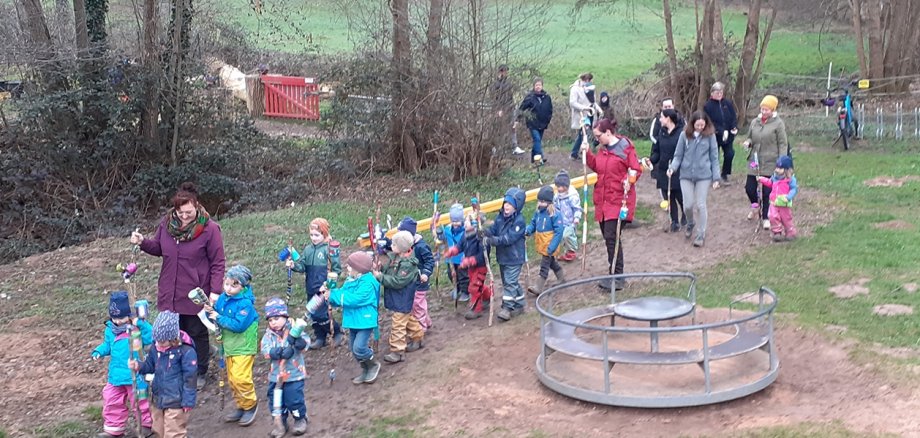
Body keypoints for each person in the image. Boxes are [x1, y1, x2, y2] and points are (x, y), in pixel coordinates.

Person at [131, 182, 225, 390]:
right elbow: (159, 248)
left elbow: (218, 262)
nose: (184, 216)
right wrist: (142, 242)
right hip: (169, 290)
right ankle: (178, 368)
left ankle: (199, 370)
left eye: (188, 212)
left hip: (195, 292)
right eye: (180, 212)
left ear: (197, 205)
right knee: (173, 332)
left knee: (196, 332)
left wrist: (215, 292)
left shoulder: (210, 230)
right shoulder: (167, 224)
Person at [584, 118, 642, 290]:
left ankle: (618, 276)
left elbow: (635, 169)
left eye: (598, 136)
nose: (596, 139)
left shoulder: (625, 148)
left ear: (608, 133)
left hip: (619, 200)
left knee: (612, 236)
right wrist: (587, 153)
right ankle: (614, 273)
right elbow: (597, 167)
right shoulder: (602, 151)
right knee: (608, 237)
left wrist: (628, 180)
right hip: (603, 201)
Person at [92, 291, 154, 438]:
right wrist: (99, 351)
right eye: (115, 318)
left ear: (129, 315)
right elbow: (108, 345)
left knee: (140, 401)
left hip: (136, 373)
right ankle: (114, 428)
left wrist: (141, 324)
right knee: (112, 400)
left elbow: (150, 338)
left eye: (121, 318)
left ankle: (146, 425)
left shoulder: (136, 328)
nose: (118, 321)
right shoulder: (110, 330)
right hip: (116, 375)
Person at [129, 310, 196, 438]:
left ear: (173, 339)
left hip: (177, 400)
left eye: (162, 342)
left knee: (174, 432)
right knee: (158, 430)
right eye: (157, 341)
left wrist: (188, 401)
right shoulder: (156, 347)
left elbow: (190, 378)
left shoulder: (186, 351)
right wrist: (139, 365)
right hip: (158, 398)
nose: (158, 344)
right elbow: (150, 365)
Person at [206, 265, 259, 426]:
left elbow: (238, 325)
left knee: (241, 377)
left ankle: (251, 405)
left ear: (243, 286)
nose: (228, 288)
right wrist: (210, 311)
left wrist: (218, 318)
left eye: (234, 285)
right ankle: (241, 405)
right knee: (232, 379)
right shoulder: (223, 298)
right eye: (227, 284)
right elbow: (215, 316)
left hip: (244, 345)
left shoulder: (246, 304)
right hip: (228, 346)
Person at [324, 251, 382, 384]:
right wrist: (330, 294)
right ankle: (365, 369)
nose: (347, 268)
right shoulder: (351, 280)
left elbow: (354, 299)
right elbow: (344, 293)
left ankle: (373, 364)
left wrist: (334, 296)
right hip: (354, 320)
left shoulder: (368, 284)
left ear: (359, 270)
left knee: (359, 347)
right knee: (353, 348)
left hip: (365, 320)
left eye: (350, 266)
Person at [286, 218, 344, 349]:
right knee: (312, 312)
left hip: (323, 288)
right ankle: (320, 337)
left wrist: (328, 284)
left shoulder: (329, 249)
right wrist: (293, 265)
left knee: (321, 313)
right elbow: (302, 267)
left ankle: (336, 331)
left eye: (317, 235)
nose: (314, 238)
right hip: (311, 286)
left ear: (324, 234)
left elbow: (336, 270)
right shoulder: (308, 249)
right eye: (311, 235)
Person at [666, 111, 721, 247]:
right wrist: (672, 168)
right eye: (697, 125)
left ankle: (701, 234)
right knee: (688, 205)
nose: (700, 128)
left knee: (701, 204)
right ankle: (690, 222)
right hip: (686, 175)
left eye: (703, 125)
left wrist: (716, 178)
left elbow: (714, 158)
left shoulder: (710, 136)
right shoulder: (684, 135)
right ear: (692, 123)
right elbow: (678, 156)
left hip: (704, 175)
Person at [260, 297, 309, 437]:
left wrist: (299, 343)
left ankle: (300, 419)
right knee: (275, 401)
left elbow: (306, 343)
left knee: (294, 399)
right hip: (276, 376)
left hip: (294, 374)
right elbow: (265, 349)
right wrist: (275, 352)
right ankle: (280, 423)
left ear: (285, 316)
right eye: (270, 320)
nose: (273, 322)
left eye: (276, 318)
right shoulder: (269, 335)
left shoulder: (295, 329)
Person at [375, 230, 423, 364]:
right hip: (398, 297)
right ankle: (417, 337)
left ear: (401, 248)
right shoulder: (396, 257)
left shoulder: (407, 265)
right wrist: (380, 268)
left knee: (398, 324)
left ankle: (397, 351)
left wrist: (380, 277)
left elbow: (397, 282)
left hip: (403, 297)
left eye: (394, 244)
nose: (391, 245)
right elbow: (390, 270)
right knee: (407, 318)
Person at [742, 95, 789, 230]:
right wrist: (748, 143)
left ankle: (766, 217)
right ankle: (755, 207)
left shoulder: (778, 123)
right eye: (762, 109)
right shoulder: (755, 122)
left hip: (771, 162)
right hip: (755, 161)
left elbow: (782, 143)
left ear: (772, 110)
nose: (764, 112)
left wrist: (782, 161)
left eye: (767, 109)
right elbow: (750, 137)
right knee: (749, 188)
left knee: (767, 192)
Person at [484, 187, 527, 321]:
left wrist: (493, 241)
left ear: (517, 207)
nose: (507, 206)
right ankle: (519, 304)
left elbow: (508, 239)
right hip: (503, 257)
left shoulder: (519, 222)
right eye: (506, 203)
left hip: (514, 257)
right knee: (510, 282)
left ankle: (507, 308)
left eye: (510, 204)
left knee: (510, 282)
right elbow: (494, 229)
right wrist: (485, 232)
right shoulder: (500, 217)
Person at [445, 212, 493, 320]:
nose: (465, 224)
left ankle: (476, 309)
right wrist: (453, 251)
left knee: (474, 287)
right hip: (471, 267)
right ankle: (487, 296)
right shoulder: (465, 235)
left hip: (480, 266)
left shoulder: (482, 237)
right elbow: (460, 246)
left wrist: (470, 260)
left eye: (468, 222)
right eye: (465, 221)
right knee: (476, 284)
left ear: (475, 224)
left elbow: (482, 256)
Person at [650, 109, 687, 232]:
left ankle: (686, 214)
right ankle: (674, 221)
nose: (659, 120)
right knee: (668, 196)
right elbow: (656, 151)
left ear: (668, 119)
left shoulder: (681, 133)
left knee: (679, 196)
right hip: (663, 169)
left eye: (661, 117)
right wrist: (651, 160)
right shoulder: (661, 132)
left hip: (678, 170)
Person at [526, 186, 566, 296]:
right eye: (539, 200)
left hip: (549, 244)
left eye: (542, 201)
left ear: (549, 202)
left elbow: (559, 232)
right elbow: (533, 223)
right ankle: (561, 278)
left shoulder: (555, 214)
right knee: (552, 263)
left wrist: (552, 247)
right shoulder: (538, 213)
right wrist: (528, 230)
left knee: (544, 266)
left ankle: (538, 287)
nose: (540, 203)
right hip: (542, 244)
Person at [397, 217, 434, 332]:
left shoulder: (421, 247)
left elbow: (429, 261)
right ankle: (426, 322)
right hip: (410, 281)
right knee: (416, 304)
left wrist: (425, 273)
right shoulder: (405, 244)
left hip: (420, 281)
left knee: (417, 304)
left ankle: (421, 328)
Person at [703, 82, 738, 184]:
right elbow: (709, 121)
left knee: (730, 154)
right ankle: (714, 176)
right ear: (712, 93)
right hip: (715, 135)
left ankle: (725, 173)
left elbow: (733, 117)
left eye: (721, 92)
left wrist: (734, 127)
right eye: (717, 92)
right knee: (714, 156)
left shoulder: (727, 103)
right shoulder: (708, 106)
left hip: (728, 135)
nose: (719, 94)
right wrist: (720, 131)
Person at [758, 155, 798, 242]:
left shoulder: (790, 180)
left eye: (780, 168)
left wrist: (788, 197)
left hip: (784, 203)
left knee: (786, 218)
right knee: (772, 216)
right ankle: (777, 232)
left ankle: (790, 232)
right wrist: (762, 179)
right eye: (777, 167)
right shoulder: (774, 177)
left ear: (787, 169)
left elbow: (794, 189)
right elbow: (770, 183)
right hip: (774, 202)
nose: (777, 170)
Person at [516, 77, 553, 163]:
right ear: (534, 86)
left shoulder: (547, 97)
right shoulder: (530, 97)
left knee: (538, 141)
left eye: (539, 85)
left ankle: (533, 158)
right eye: (536, 85)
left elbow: (550, 109)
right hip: (532, 123)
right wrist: (518, 119)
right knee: (537, 139)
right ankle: (540, 157)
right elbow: (522, 108)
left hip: (543, 123)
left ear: (542, 86)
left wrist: (548, 119)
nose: (538, 87)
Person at [438, 204, 469, 302]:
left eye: (458, 221)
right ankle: (456, 287)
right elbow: (442, 239)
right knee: (451, 274)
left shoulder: (466, 230)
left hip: (461, 258)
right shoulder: (447, 229)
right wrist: (440, 235)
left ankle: (465, 291)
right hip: (451, 258)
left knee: (463, 275)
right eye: (453, 221)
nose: (455, 223)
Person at [569, 73, 603, 160]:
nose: (587, 81)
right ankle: (577, 153)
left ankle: (579, 152)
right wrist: (584, 108)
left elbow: (593, 101)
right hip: (581, 115)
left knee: (586, 133)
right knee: (583, 133)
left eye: (589, 80)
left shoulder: (590, 88)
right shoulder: (575, 89)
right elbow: (572, 102)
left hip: (591, 114)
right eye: (585, 80)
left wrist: (599, 109)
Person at [492, 65, 523, 155]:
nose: (506, 73)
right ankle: (496, 147)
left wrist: (512, 107)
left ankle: (514, 146)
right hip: (500, 109)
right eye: (504, 71)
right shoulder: (495, 84)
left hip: (510, 107)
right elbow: (494, 98)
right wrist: (498, 109)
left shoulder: (508, 83)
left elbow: (510, 97)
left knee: (512, 128)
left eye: (506, 71)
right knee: (498, 129)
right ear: (500, 72)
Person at [553, 170, 582, 261]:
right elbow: (556, 207)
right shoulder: (557, 197)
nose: (559, 189)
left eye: (561, 186)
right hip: (561, 221)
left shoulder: (572, 196)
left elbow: (577, 208)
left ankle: (572, 251)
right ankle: (568, 252)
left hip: (570, 221)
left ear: (566, 186)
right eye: (558, 186)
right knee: (562, 237)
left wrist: (576, 217)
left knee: (567, 235)